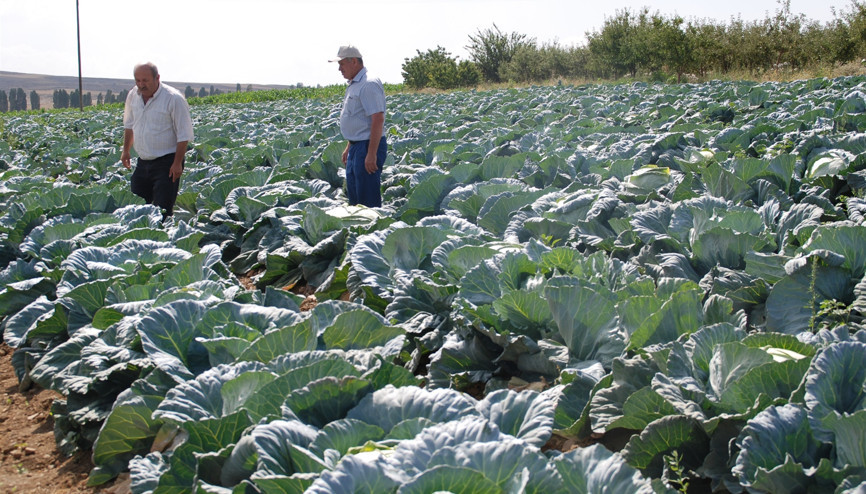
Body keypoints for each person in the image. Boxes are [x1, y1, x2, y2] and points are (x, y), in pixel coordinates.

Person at [121, 62, 194, 220]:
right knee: (137, 208)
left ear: (157, 78)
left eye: (145, 80)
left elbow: (184, 134)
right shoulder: (133, 96)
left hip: (166, 163)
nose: (141, 85)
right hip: (143, 162)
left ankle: (163, 240)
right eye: (138, 80)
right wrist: (126, 150)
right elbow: (129, 125)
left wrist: (177, 163)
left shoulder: (173, 98)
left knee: (163, 211)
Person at [330, 45, 387, 208]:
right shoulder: (355, 84)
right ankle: (359, 232)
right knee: (355, 198)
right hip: (358, 147)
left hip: (368, 147)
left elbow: (377, 119)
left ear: (353, 61)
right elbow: (359, 119)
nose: (339, 69)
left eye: (341, 64)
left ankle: (373, 231)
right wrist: (349, 146)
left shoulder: (368, 84)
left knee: (367, 201)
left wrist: (371, 154)